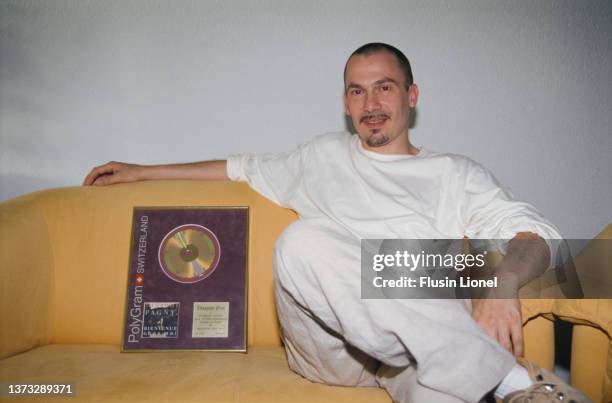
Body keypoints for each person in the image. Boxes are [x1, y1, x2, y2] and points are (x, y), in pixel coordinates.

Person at [84, 43, 590, 403]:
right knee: (302, 240)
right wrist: (142, 171)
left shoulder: (454, 173)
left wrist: (501, 282)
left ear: (411, 96)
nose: (371, 105)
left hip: (422, 352)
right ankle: (509, 381)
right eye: (357, 91)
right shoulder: (319, 157)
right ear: (346, 102)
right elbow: (235, 167)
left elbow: (540, 235)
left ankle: (498, 384)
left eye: (384, 88)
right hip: (330, 348)